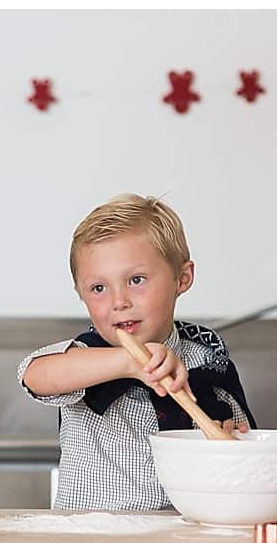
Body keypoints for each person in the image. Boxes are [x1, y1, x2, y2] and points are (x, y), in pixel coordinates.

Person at [18, 194, 254, 511]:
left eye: (136, 280)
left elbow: (246, 471)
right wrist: (128, 361)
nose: (119, 301)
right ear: (80, 295)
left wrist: (235, 453)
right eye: (98, 288)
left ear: (182, 278)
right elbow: (34, 376)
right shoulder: (82, 359)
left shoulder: (209, 362)